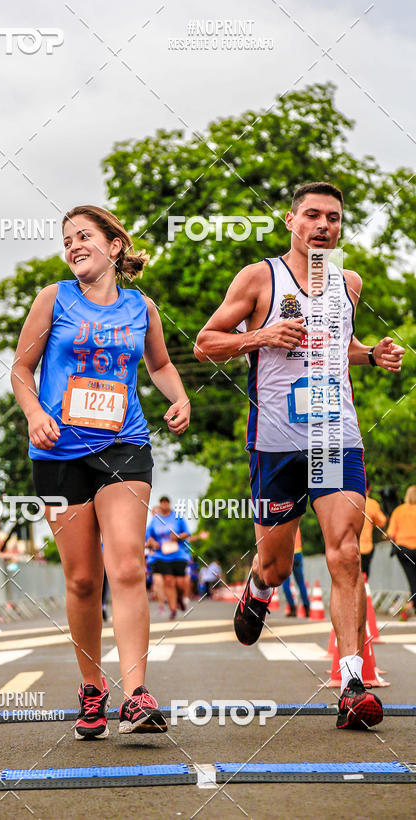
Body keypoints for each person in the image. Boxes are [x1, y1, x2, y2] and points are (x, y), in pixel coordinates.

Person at [194, 181, 405, 730]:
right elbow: (204, 342)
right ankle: (259, 587)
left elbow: (341, 352)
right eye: (312, 215)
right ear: (290, 221)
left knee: (344, 554)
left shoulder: (349, 284)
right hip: (276, 443)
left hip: (336, 437)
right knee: (277, 562)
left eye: (333, 218)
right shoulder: (259, 277)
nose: (323, 226)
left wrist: (371, 355)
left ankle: (353, 683)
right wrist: (260, 336)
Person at [11, 204, 190, 740]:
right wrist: (36, 413)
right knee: (84, 579)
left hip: (123, 445)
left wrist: (178, 396)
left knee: (129, 566)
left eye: (83, 236)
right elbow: (22, 368)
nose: (73, 246)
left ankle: (136, 694)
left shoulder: (142, 308)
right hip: (58, 452)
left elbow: (157, 364)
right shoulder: (53, 298)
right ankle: (93, 688)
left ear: (114, 246)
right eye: (67, 240)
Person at [145, 496, 191, 620]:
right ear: (160, 505)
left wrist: (178, 536)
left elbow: (187, 533)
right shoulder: (155, 520)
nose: (164, 505)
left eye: (166, 503)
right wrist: (152, 542)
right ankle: (172, 609)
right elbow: (148, 538)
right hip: (162, 556)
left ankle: (180, 598)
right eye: (162, 503)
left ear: (169, 504)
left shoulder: (178, 517)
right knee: (169, 580)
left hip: (178, 554)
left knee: (180, 583)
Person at [388, 485, 416, 620]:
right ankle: (412, 605)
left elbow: (390, 533)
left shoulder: (399, 511)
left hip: (403, 550)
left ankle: (412, 606)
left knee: (411, 578)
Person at [360, 481, 387, 579]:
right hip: (365, 547)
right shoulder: (371, 504)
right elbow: (381, 522)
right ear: (370, 488)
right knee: (363, 577)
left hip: (346, 547)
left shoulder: (346, 501)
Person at [281, 528, 310, 617]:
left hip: (286, 554)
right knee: (301, 582)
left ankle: (293, 609)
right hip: (297, 554)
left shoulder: (283, 522)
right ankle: (307, 609)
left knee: (285, 584)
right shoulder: (296, 522)